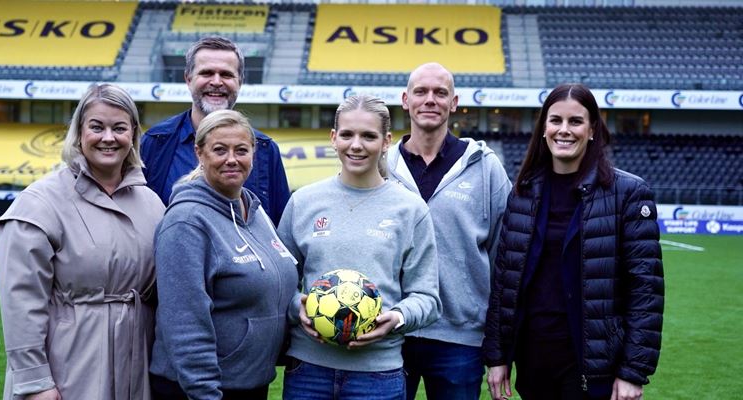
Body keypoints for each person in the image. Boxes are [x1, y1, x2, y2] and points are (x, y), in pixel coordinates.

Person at [484, 83, 664, 400]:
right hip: (534, 358)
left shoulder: (628, 192)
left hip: (593, 362)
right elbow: (504, 283)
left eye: (575, 121)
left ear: (592, 130)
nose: (564, 130)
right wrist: (498, 356)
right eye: (555, 121)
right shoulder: (523, 191)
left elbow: (645, 291)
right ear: (543, 128)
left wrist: (633, 371)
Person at [0, 83, 165, 400]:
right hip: (69, 365)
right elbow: (20, 303)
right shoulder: (39, 203)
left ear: (133, 135)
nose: (108, 138)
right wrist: (36, 382)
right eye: (96, 127)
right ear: (79, 132)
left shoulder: (152, 203)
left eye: (120, 128)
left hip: (136, 365)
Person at [278, 94, 441, 400]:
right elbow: (279, 282)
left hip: (377, 375)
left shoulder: (410, 209)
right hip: (308, 370)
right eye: (347, 134)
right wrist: (294, 307)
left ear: (386, 141)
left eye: (368, 136)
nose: (356, 145)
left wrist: (397, 318)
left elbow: (428, 298)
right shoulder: (303, 201)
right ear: (333, 138)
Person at [149, 109, 299, 400]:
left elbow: (275, 285)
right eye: (220, 149)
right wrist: (205, 392)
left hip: (251, 383)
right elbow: (185, 321)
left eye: (241, 150)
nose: (232, 159)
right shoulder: (187, 222)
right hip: (201, 390)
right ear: (199, 152)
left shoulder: (255, 213)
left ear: (253, 153)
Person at [386, 63, 512, 400]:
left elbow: (505, 262)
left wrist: (499, 345)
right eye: (421, 92)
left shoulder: (485, 167)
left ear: (454, 102)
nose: (430, 100)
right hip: (390, 333)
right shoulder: (380, 166)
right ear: (405, 99)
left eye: (440, 93)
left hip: (460, 340)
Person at [141, 35, 290, 224]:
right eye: (207, 73)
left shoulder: (265, 149)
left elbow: (279, 228)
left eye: (226, 75)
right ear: (188, 79)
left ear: (240, 81)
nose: (217, 82)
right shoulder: (156, 142)